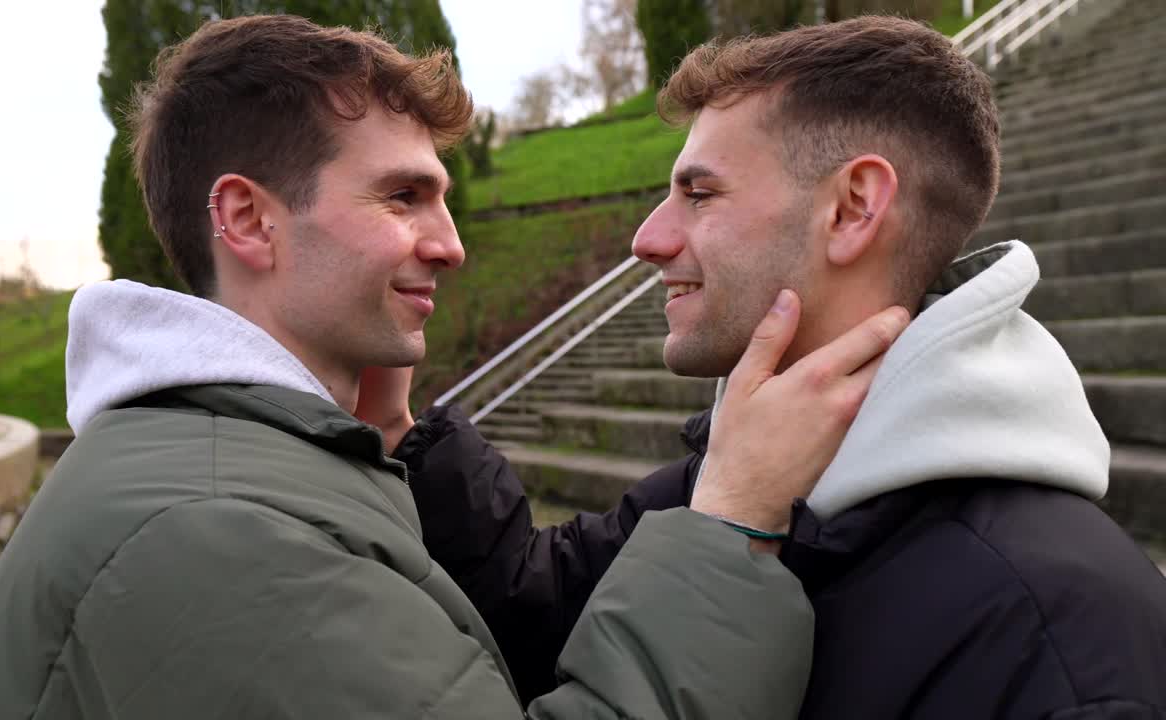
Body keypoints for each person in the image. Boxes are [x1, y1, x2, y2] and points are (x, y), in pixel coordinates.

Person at [0, 15, 912, 719]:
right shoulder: (217, 536)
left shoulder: (228, 466)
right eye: (403, 197)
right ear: (249, 220)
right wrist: (734, 516)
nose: (451, 244)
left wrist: (386, 440)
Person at [395, 15, 1166, 717]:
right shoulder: (732, 477)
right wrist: (391, 415)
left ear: (854, 208)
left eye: (699, 193)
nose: (648, 239)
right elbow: (536, 614)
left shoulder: (1057, 634)